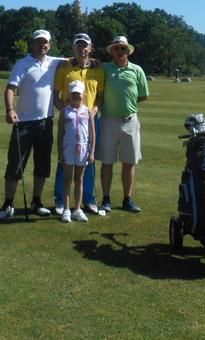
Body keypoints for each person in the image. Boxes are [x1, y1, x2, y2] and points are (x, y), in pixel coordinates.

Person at [0, 29, 64, 220]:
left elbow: (76, 59)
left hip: (45, 122)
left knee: (42, 164)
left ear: (50, 45)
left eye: (45, 42)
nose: (42, 45)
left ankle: (36, 202)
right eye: (38, 42)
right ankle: (8, 205)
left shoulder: (54, 62)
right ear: (32, 44)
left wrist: (96, 61)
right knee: (15, 164)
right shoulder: (22, 64)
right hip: (23, 122)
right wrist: (9, 110)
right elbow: (10, 89)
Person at [52, 32, 106, 216]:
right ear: (73, 48)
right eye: (78, 45)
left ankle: (89, 200)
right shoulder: (64, 67)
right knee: (64, 160)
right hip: (69, 119)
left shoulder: (98, 69)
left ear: (90, 48)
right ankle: (61, 201)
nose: (82, 49)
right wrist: (66, 113)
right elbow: (55, 95)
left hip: (89, 118)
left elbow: (100, 97)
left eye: (85, 45)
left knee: (89, 159)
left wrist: (94, 111)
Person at [99, 35, 149, 213]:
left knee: (129, 162)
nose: (120, 51)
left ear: (128, 51)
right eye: (117, 48)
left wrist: (127, 105)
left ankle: (127, 199)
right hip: (108, 121)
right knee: (107, 162)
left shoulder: (137, 70)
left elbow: (143, 95)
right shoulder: (104, 68)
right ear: (112, 51)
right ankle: (106, 199)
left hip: (130, 122)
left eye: (123, 48)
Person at [56, 80, 95, 223]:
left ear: (84, 95)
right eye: (73, 94)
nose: (76, 96)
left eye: (78, 94)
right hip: (68, 147)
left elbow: (92, 133)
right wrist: (60, 152)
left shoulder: (88, 111)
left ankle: (77, 209)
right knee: (67, 178)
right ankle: (66, 209)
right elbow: (60, 133)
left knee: (79, 179)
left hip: (83, 148)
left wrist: (92, 152)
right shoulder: (64, 112)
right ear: (69, 95)